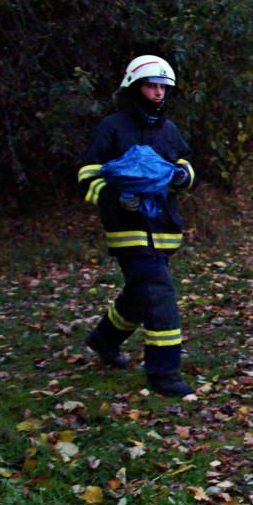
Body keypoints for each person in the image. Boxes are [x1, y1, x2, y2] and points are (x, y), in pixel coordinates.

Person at [79, 55, 197, 398]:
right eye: (151, 86)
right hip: (128, 230)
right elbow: (87, 175)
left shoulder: (169, 130)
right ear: (133, 88)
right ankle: (164, 372)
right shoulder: (111, 128)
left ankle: (104, 340)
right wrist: (116, 198)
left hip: (164, 230)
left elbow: (186, 165)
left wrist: (183, 176)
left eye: (163, 87)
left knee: (138, 294)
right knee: (159, 295)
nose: (158, 93)